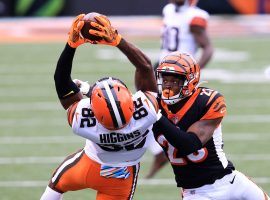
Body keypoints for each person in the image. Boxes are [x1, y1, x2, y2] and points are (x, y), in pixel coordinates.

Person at [40, 13, 159, 200]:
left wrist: (71, 45)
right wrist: (117, 40)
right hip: (122, 177)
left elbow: (61, 81)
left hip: (89, 167)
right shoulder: (148, 111)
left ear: (93, 111)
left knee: (55, 187)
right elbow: (145, 66)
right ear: (131, 103)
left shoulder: (83, 122)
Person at [152, 51, 269, 199]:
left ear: (190, 81)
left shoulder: (206, 101)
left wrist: (156, 116)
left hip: (230, 181)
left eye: (174, 81)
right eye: (165, 79)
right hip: (196, 193)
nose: (168, 85)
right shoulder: (152, 105)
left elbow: (190, 145)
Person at [146, 0, 214, 179]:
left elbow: (207, 48)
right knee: (146, 112)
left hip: (178, 78)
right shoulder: (168, 9)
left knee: (158, 116)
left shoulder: (195, 16)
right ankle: (159, 154)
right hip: (162, 70)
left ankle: (167, 156)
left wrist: (191, 74)